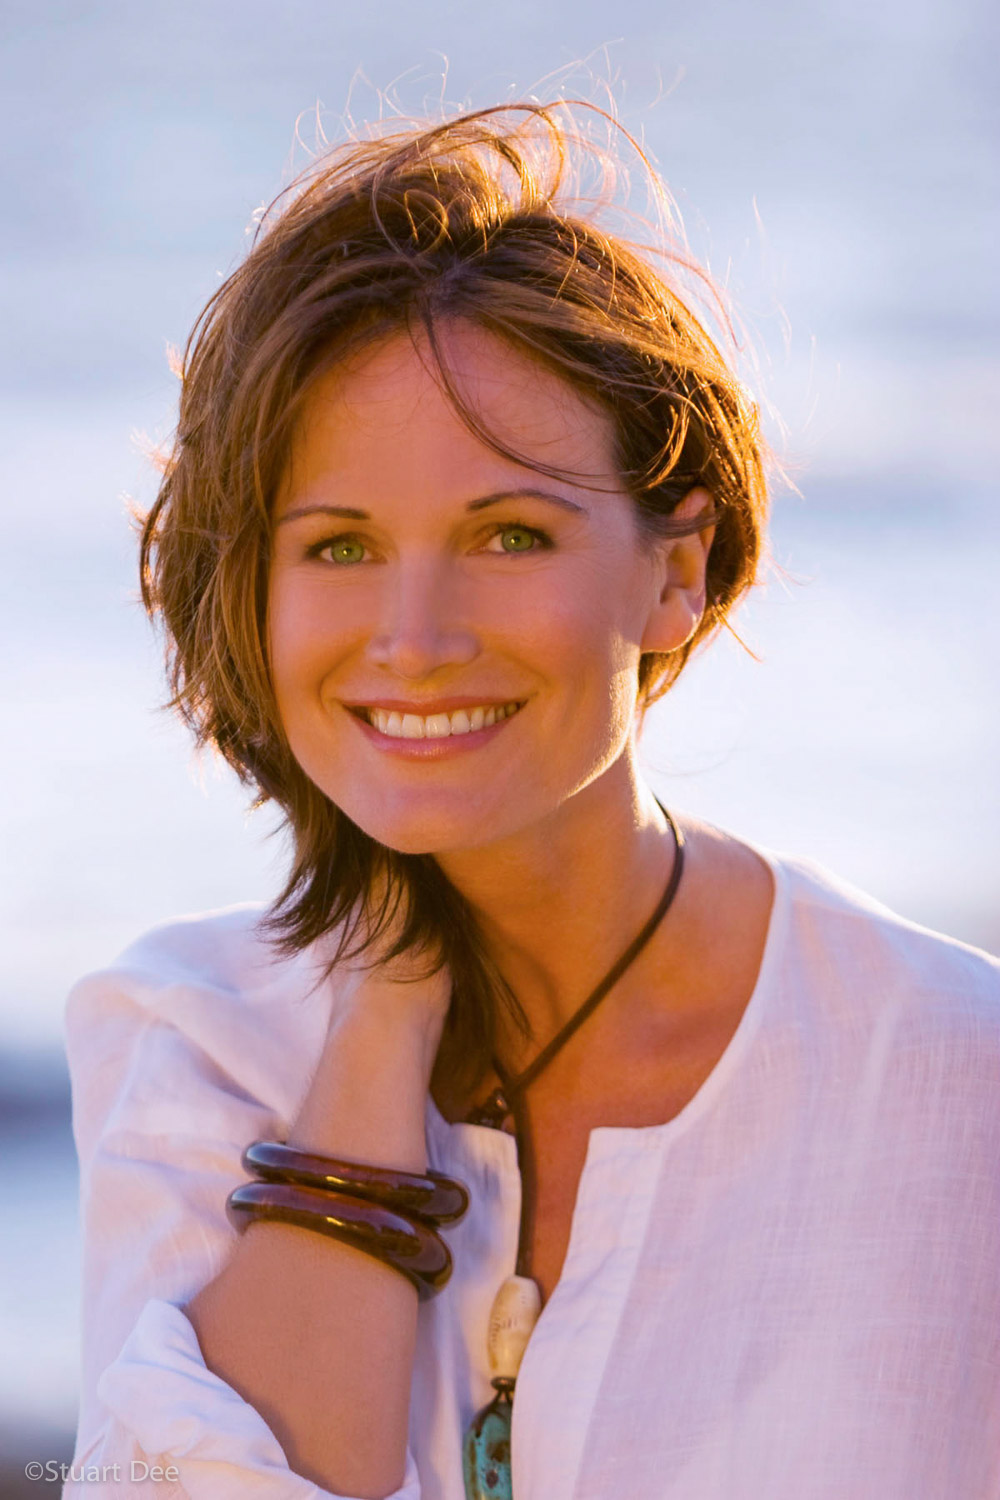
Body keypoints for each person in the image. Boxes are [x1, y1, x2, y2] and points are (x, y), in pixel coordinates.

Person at [63, 102, 1000, 1500]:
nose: (416, 635)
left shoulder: (948, 1075)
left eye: (510, 533)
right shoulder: (192, 1044)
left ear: (675, 569)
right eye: (339, 545)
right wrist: (382, 1009)